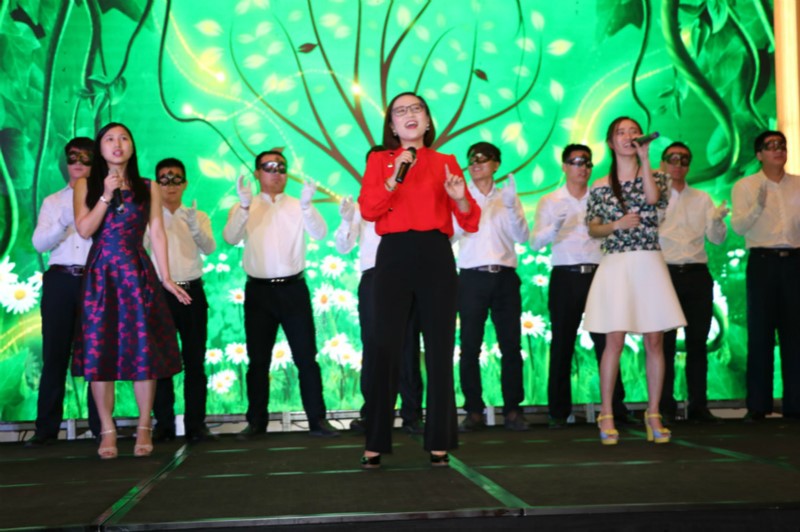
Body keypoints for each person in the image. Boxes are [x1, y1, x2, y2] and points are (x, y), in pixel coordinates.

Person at [357, 92, 480, 468]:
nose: (409, 115)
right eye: (400, 111)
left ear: (427, 121)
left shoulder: (446, 162)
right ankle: (375, 440)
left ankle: (439, 440)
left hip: (435, 254)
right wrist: (394, 176)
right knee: (384, 348)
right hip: (393, 255)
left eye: (416, 109)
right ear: (392, 126)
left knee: (440, 348)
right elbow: (369, 209)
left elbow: (470, 219)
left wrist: (459, 197)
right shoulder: (380, 161)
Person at [72, 122, 190, 459]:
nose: (118, 144)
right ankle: (107, 430)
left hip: (137, 275)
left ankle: (144, 425)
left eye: (124, 138)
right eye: (110, 139)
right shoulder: (86, 184)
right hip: (101, 276)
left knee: (143, 351)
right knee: (100, 352)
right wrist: (106, 196)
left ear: (132, 146)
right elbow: (84, 229)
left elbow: (157, 232)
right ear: (100, 148)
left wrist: (166, 278)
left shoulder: (147, 186)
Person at [223, 149, 339, 438]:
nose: (276, 173)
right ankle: (256, 422)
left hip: (293, 289)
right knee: (258, 361)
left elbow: (320, 233)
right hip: (259, 291)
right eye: (269, 167)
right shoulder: (244, 205)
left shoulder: (298, 204)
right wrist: (244, 206)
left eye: (282, 167)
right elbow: (230, 237)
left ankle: (317, 420)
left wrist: (307, 206)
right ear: (257, 173)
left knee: (306, 358)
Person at [584, 116, 686, 445]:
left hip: (649, 261)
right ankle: (607, 413)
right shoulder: (600, 184)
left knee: (654, 340)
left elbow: (653, 200)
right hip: (616, 263)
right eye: (621, 132)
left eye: (633, 131)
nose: (628, 136)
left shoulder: (657, 176)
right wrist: (616, 225)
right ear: (610, 142)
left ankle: (653, 413)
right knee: (613, 340)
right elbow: (593, 227)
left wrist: (644, 157)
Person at [530, 144, 636, 429]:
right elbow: (535, 242)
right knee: (562, 344)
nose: (582, 168)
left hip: (599, 273)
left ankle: (615, 408)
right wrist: (554, 227)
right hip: (565, 275)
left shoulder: (601, 196)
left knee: (607, 342)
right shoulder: (550, 200)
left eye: (587, 163)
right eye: (576, 162)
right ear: (564, 166)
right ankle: (558, 412)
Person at [27, 137, 101, 447]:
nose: (79, 163)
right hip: (60, 280)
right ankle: (46, 429)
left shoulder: (104, 199)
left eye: (86, 158)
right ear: (65, 162)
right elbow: (39, 243)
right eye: (73, 157)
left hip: (95, 280)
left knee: (96, 357)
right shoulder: (53, 201)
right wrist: (63, 222)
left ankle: (101, 428)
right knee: (54, 355)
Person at [453, 141, 529, 432]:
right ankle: (473, 410)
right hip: (471, 277)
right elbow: (450, 235)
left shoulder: (507, 196)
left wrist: (510, 206)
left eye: (483, 159)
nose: (476, 164)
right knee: (469, 346)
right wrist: (461, 207)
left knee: (511, 346)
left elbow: (522, 237)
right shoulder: (460, 195)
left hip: (505, 277)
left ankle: (513, 410)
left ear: (496, 165)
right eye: (472, 159)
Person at [335, 189, 424, 435]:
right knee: (374, 347)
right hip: (373, 277)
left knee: (407, 346)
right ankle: (373, 414)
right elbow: (343, 247)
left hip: (406, 276)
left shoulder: (410, 200)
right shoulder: (361, 206)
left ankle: (412, 414)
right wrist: (346, 220)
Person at [145, 158, 219, 443]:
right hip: (160, 293)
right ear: (156, 184)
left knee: (195, 361)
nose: (171, 185)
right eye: (164, 179)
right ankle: (163, 424)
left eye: (176, 179)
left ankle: (196, 424)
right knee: (161, 362)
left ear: (185, 184)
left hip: (191, 292)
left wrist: (195, 227)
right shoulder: (148, 216)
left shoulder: (197, 215)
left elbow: (210, 248)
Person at [731, 130, 800, 422]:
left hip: (795, 262)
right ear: (759, 154)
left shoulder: (798, 184)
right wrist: (757, 207)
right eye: (770, 146)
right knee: (760, 333)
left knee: (795, 334)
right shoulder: (745, 186)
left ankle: (795, 404)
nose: (778, 150)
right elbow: (738, 227)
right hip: (762, 263)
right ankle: (758, 405)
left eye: (781, 145)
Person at [657, 142, 728, 423]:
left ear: (689, 165)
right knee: (664, 344)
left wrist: (718, 221)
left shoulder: (702, 198)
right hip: (664, 274)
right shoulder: (653, 197)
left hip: (697, 274)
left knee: (698, 342)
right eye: (672, 159)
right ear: (663, 163)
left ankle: (699, 405)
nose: (678, 164)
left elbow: (716, 239)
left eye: (684, 159)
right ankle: (664, 406)